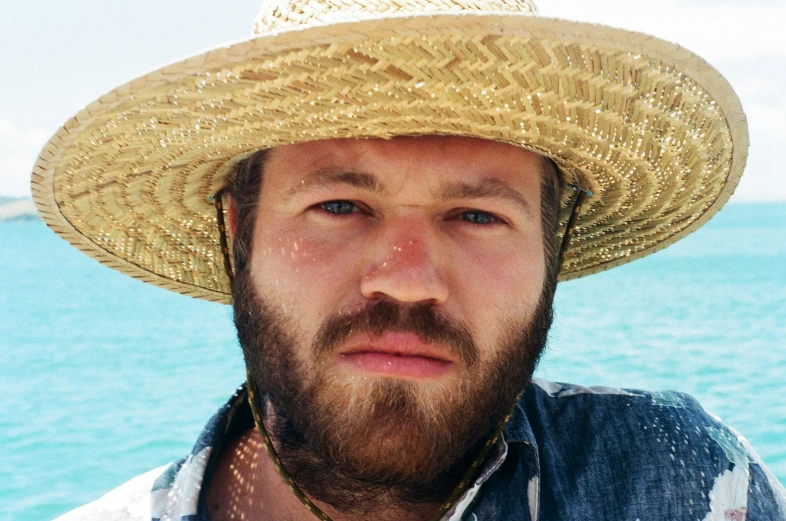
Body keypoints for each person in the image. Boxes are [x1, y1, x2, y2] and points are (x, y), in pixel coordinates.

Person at [36, 0, 785, 520]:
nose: (406, 277)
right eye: (339, 205)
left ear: (552, 249)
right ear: (238, 233)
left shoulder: (689, 480)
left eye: (476, 215)